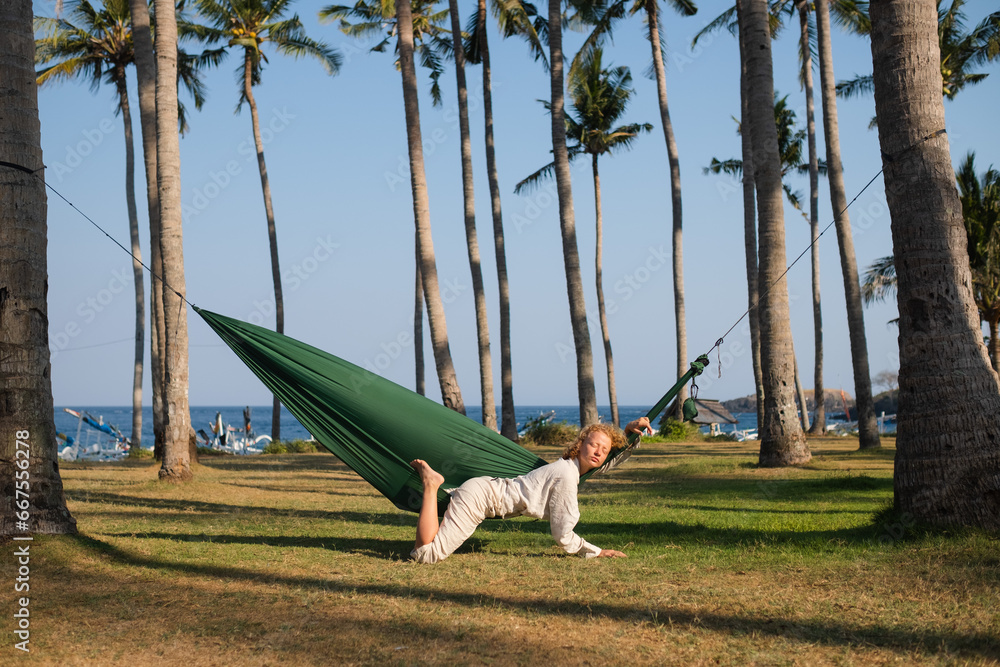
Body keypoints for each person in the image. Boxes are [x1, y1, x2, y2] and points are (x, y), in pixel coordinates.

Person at [409, 417, 652, 563]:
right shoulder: (566, 475)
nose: (599, 452)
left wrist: (628, 433)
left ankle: (432, 485)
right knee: (426, 554)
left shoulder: (571, 467)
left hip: (484, 491)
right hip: (480, 498)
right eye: (593, 445)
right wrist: (596, 552)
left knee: (429, 547)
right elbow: (562, 534)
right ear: (580, 445)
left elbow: (604, 464)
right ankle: (431, 484)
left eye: (604, 449)